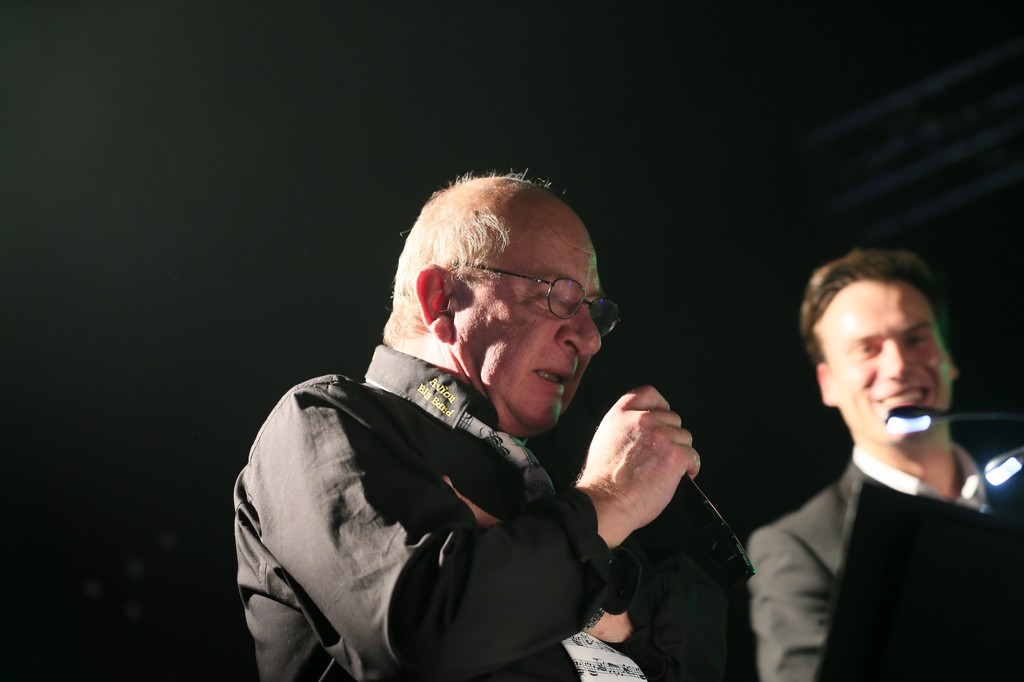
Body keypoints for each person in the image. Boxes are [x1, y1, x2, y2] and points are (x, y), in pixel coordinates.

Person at [233, 171, 729, 681]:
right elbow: (426, 632)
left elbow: (705, 634)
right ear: (441, 299)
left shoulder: (565, 467)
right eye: (558, 296)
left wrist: (575, 574)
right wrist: (609, 503)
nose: (589, 339)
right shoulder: (324, 421)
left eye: (595, 312)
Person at [745, 247, 987, 682]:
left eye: (915, 339)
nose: (898, 366)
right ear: (829, 384)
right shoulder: (799, 549)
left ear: (948, 356)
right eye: (867, 349)